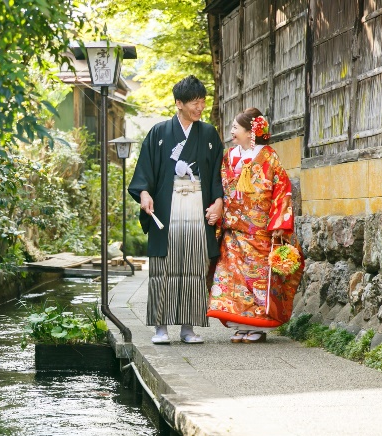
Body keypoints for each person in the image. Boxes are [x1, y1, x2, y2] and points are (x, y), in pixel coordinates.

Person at [128, 76, 224, 345]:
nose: (200, 107)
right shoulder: (159, 132)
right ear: (179, 104)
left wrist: (218, 201)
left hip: (196, 205)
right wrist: (144, 194)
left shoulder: (207, 134)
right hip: (167, 206)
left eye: (203, 101)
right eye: (195, 102)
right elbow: (144, 171)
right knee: (164, 267)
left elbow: (219, 172)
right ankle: (160, 327)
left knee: (194, 265)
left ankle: (188, 328)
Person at [207, 108, 304, 343]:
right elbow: (220, 186)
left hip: (259, 231)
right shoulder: (229, 156)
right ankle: (240, 324)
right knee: (233, 279)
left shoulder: (268, 156)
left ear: (252, 132)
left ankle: (257, 326)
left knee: (257, 279)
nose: (231, 131)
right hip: (233, 229)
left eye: (236, 128)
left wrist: (280, 221)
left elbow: (282, 190)